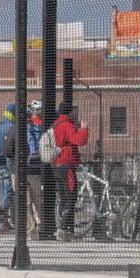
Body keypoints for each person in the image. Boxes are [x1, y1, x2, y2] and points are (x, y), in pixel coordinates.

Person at [46, 103, 87, 240]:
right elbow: (79, 140)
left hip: (56, 165)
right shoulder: (67, 125)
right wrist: (84, 129)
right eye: (73, 112)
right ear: (69, 112)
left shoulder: (56, 124)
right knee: (71, 196)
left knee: (63, 196)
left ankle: (63, 227)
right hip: (66, 165)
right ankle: (63, 227)